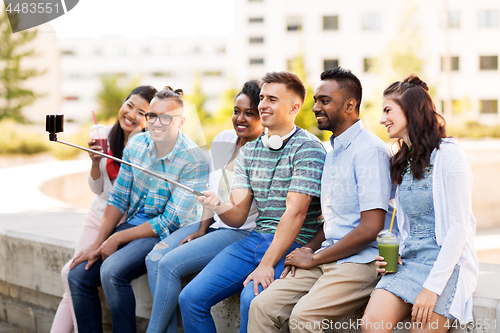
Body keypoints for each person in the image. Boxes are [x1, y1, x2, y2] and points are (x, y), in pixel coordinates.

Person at [178, 71, 326, 333]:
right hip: (255, 239)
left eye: (272, 99)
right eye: (262, 98)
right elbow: (237, 216)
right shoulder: (249, 151)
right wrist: (217, 205)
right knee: (190, 298)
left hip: (294, 242)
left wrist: (266, 264)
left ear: (294, 107)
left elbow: (295, 212)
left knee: (251, 298)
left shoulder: (309, 148)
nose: (263, 105)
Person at [248, 67, 393, 333]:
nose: (315, 107)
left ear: (350, 105)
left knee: (303, 318)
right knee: (261, 306)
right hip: (328, 255)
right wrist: (310, 248)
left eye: (324, 101)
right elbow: (336, 219)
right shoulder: (332, 150)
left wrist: (314, 258)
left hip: (361, 262)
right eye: (316, 100)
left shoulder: (369, 151)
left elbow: (370, 228)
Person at [67, 87, 209, 333]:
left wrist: (117, 237)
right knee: (78, 275)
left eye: (166, 117)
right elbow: (118, 198)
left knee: (112, 271)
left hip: (165, 232)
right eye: (152, 115)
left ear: (182, 121)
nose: (157, 122)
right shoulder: (137, 145)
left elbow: (168, 222)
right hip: (135, 221)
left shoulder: (194, 159)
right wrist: (99, 242)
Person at [144, 80, 264, 333]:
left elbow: (238, 215)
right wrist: (201, 227)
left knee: (169, 264)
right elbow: (210, 186)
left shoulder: (262, 151)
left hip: (239, 231)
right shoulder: (223, 139)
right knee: (155, 258)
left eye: (249, 113)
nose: (240, 118)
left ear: (262, 115)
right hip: (214, 226)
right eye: (236, 111)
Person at [361, 75, 478, 332]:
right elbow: (399, 221)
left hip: (446, 265)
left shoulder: (451, 156)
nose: (381, 119)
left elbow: (459, 228)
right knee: (371, 325)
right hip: (410, 260)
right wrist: (392, 252)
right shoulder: (402, 160)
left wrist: (432, 288)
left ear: (411, 111)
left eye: (388, 110)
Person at [50, 85, 157, 333]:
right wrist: (95, 163)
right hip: (98, 214)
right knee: (71, 275)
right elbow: (98, 190)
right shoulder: (105, 134)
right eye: (129, 105)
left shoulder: (149, 148)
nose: (131, 114)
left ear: (149, 119)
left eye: (141, 112)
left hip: (125, 222)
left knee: (72, 274)